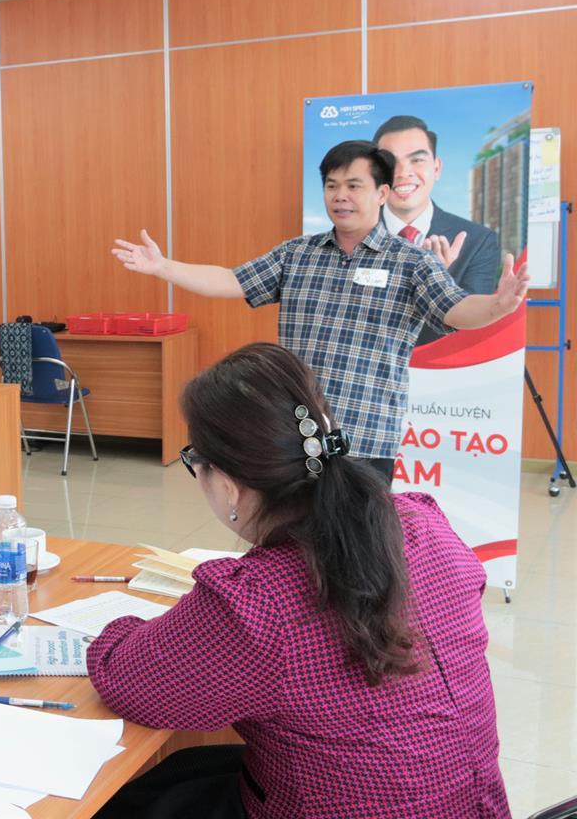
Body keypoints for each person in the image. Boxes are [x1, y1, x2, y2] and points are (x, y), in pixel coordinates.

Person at [87, 343, 508, 818]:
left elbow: (126, 680)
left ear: (227, 484)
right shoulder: (423, 521)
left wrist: (131, 628)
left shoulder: (255, 604)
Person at [113, 139, 529, 480]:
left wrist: (498, 304)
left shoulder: (411, 261)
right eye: (332, 185)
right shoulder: (297, 253)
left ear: (382, 193)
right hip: (294, 431)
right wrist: (163, 267)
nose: (340, 196)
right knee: (293, 538)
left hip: (366, 436)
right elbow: (231, 280)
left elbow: (456, 308)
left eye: (354, 185)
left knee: (356, 546)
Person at [375, 114, 501, 346]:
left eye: (417, 160)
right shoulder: (350, 238)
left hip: (440, 366)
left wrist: (436, 281)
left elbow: (470, 331)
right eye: (389, 162)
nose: (402, 172)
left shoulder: (478, 241)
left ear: (436, 168)